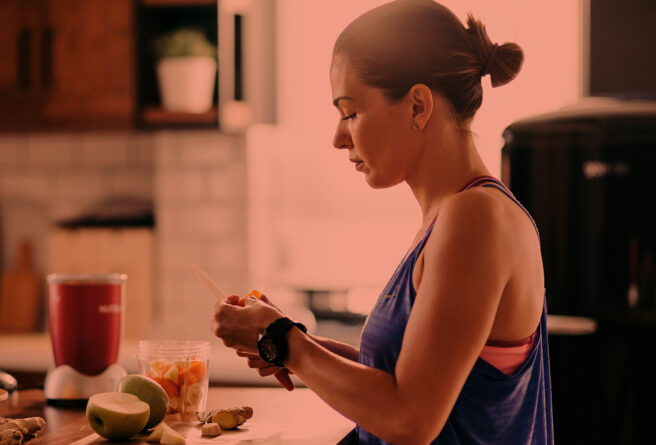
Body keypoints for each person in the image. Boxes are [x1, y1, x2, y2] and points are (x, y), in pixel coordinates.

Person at [210, 0, 553, 444]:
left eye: (350, 112)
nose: (338, 138)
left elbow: (409, 419)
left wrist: (282, 340)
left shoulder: (475, 218)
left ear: (417, 106)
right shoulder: (455, 215)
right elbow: (410, 378)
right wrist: (289, 340)